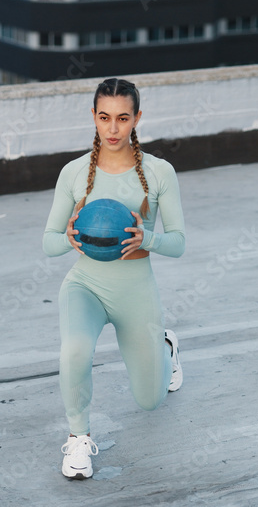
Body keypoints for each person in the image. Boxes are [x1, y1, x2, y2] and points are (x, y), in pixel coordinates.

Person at [42, 78, 187, 479]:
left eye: (123, 118)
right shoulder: (73, 173)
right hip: (85, 286)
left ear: (137, 119)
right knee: (74, 350)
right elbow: (48, 241)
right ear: (93, 117)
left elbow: (178, 243)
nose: (112, 129)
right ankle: (78, 440)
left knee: (150, 401)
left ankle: (166, 347)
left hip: (135, 289)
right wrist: (69, 239)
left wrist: (149, 237)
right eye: (104, 118)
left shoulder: (158, 172)